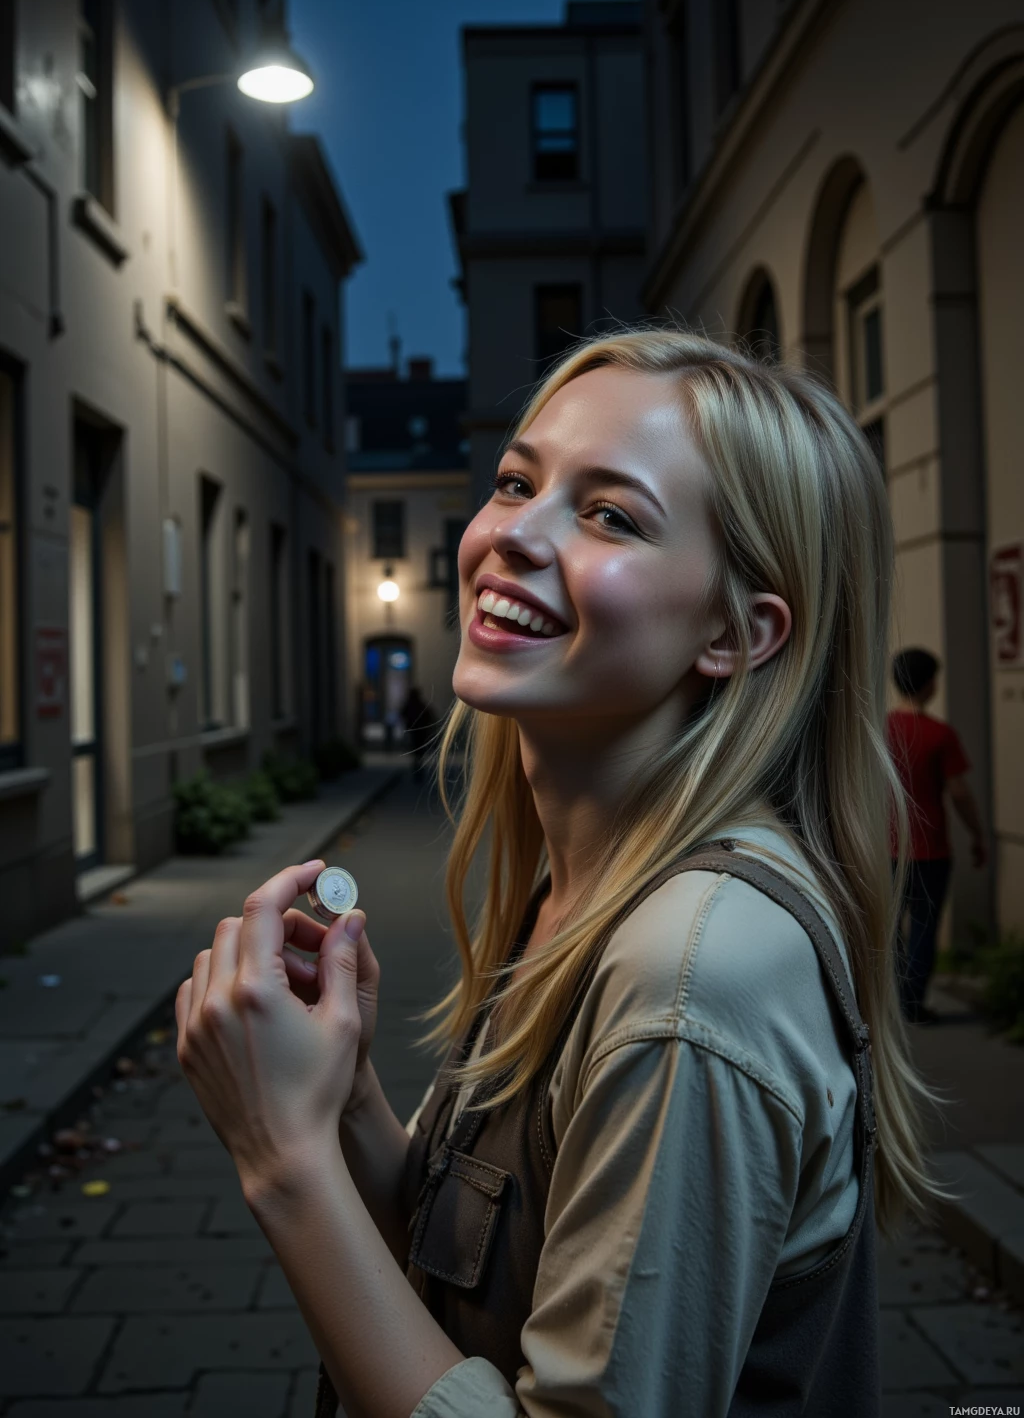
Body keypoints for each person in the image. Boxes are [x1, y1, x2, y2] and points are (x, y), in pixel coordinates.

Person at [175, 329, 945, 1418]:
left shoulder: (691, 970)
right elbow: (481, 1283)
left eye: (609, 515)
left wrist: (282, 1157)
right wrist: (345, 1105)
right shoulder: (585, 885)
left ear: (734, 631)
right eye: (514, 482)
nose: (508, 537)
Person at [886, 647, 988, 1023]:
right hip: (930, 851)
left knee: (887, 929)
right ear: (930, 685)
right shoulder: (940, 735)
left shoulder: (878, 729)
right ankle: (913, 1004)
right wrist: (978, 834)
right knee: (924, 930)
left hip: (885, 848)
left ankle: (888, 1002)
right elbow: (960, 793)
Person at [401, 686, 437, 783]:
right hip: (420, 732)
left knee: (416, 751)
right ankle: (418, 766)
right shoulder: (421, 705)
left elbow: (402, 714)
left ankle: (417, 766)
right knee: (419, 752)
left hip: (414, 732)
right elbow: (430, 717)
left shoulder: (410, 705)